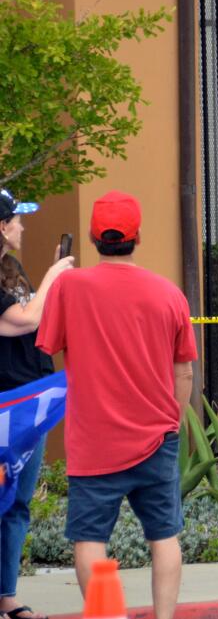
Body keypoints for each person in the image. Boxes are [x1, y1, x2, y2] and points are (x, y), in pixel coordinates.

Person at [36, 191, 197, 619]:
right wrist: (173, 424)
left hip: (95, 442)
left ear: (92, 236)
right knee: (164, 537)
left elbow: (49, 346)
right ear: (137, 236)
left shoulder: (70, 287)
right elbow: (184, 373)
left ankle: (111, 616)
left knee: (91, 540)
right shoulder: (169, 295)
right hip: (157, 437)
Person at [0, 190, 73, 619]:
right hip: (5, 405)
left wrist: (51, 283)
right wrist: (53, 275)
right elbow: (22, 322)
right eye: (17, 219)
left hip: (31, 403)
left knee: (17, 503)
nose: (23, 226)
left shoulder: (13, 270)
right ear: (2, 227)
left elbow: (39, 320)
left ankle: (7, 595)